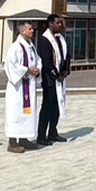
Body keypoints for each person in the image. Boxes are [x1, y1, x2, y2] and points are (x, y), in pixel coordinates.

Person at [4, 20, 41, 152]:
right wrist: (26, 70)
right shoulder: (15, 47)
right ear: (22, 31)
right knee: (15, 112)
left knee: (28, 112)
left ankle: (24, 139)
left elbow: (38, 60)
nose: (32, 30)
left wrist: (37, 69)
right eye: (30, 29)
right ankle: (12, 142)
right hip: (18, 87)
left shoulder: (31, 46)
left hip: (29, 85)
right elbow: (11, 65)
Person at [35, 13, 69, 144]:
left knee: (57, 105)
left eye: (61, 23)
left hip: (60, 77)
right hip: (50, 78)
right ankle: (41, 135)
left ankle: (53, 132)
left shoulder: (61, 38)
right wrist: (56, 75)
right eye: (57, 23)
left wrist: (65, 71)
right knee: (47, 106)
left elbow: (67, 56)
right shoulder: (44, 39)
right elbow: (46, 61)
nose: (60, 25)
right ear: (50, 24)